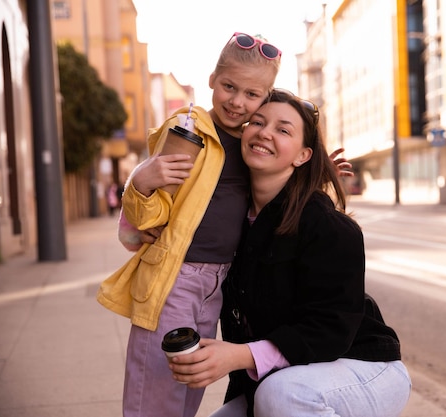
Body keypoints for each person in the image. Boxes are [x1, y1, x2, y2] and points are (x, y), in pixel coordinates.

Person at [168, 89, 411, 417]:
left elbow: (330, 330)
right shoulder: (234, 224)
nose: (265, 132)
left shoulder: (329, 227)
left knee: (281, 396)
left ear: (303, 155)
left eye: (283, 130)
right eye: (257, 122)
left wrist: (239, 356)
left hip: (363, 367)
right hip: (287, 374)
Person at [97, 32, 283, 417]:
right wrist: (143, 182)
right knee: (156, 392)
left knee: (187, 387)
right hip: (175, 279)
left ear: (266, 97)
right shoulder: (188, 130)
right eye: (229, 87)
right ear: (212, 79)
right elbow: (150, 216)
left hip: (217, 286)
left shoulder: (255, 141)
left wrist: (319, 167)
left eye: (252, 94)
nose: (237, 101)